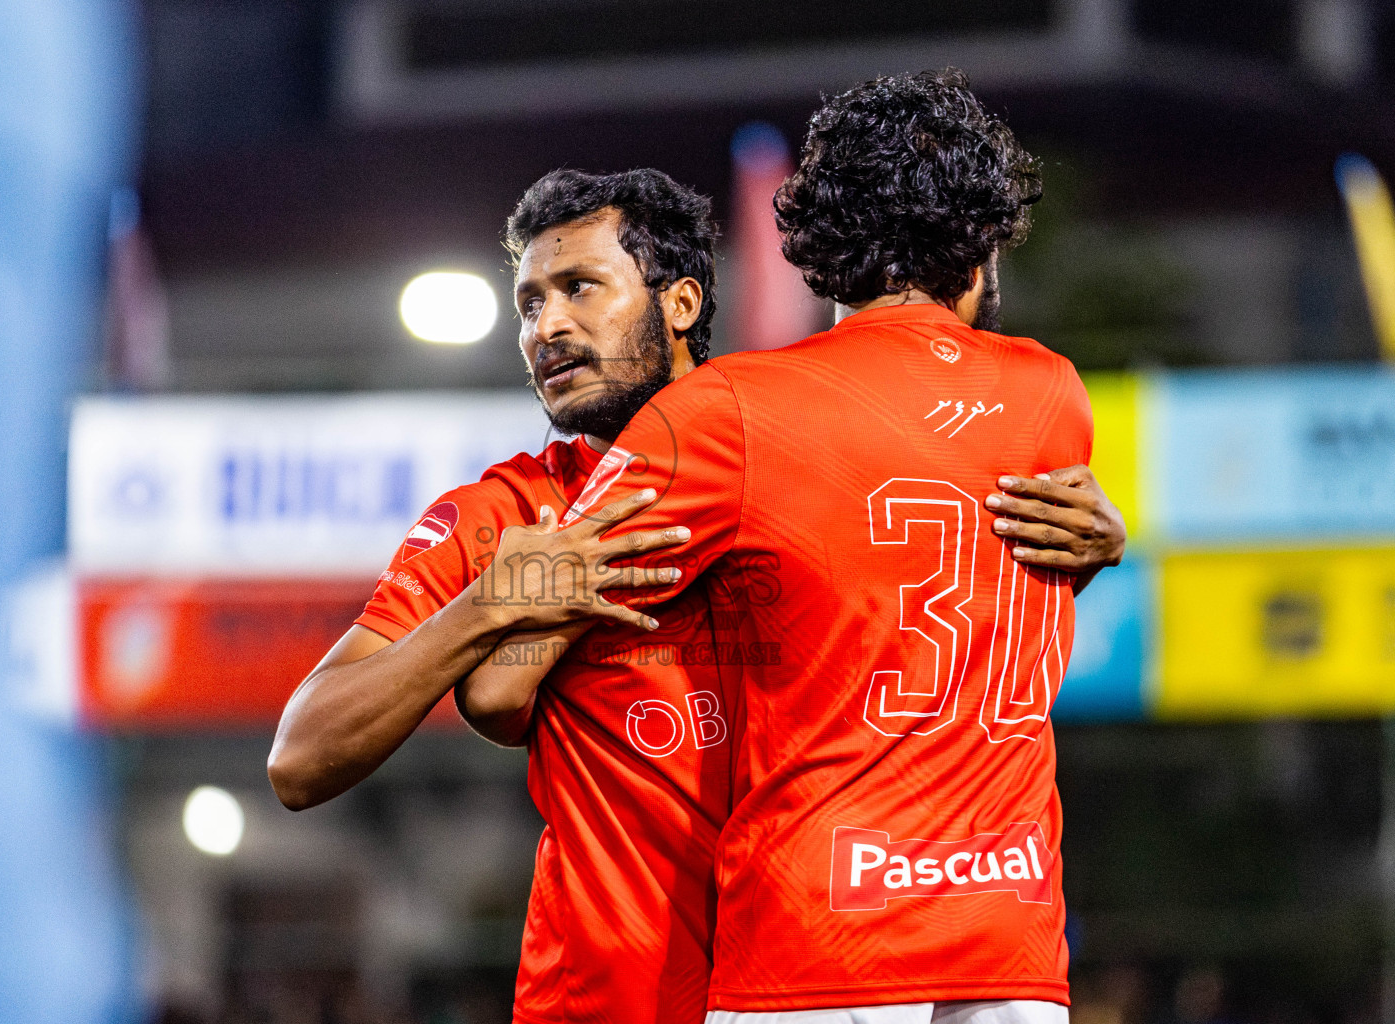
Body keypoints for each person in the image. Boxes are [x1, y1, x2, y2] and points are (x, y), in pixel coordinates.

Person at [268, 160, 1124, 1021]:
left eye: (579, 288)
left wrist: (1084, 547)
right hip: (602, 1003)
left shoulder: (790, 452)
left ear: (679, 304)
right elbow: (300, 760)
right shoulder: (501, 514)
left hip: (807, 978)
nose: (547, 327)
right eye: (530, 303)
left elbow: (942, 612)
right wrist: (490, 601)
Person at [529, 70, 1118, 1022]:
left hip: (820, 939)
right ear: (979, 248)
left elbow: (539, 610)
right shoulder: (1054, 395)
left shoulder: (730, 410)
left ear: (818, 246)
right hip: (1008, 937)